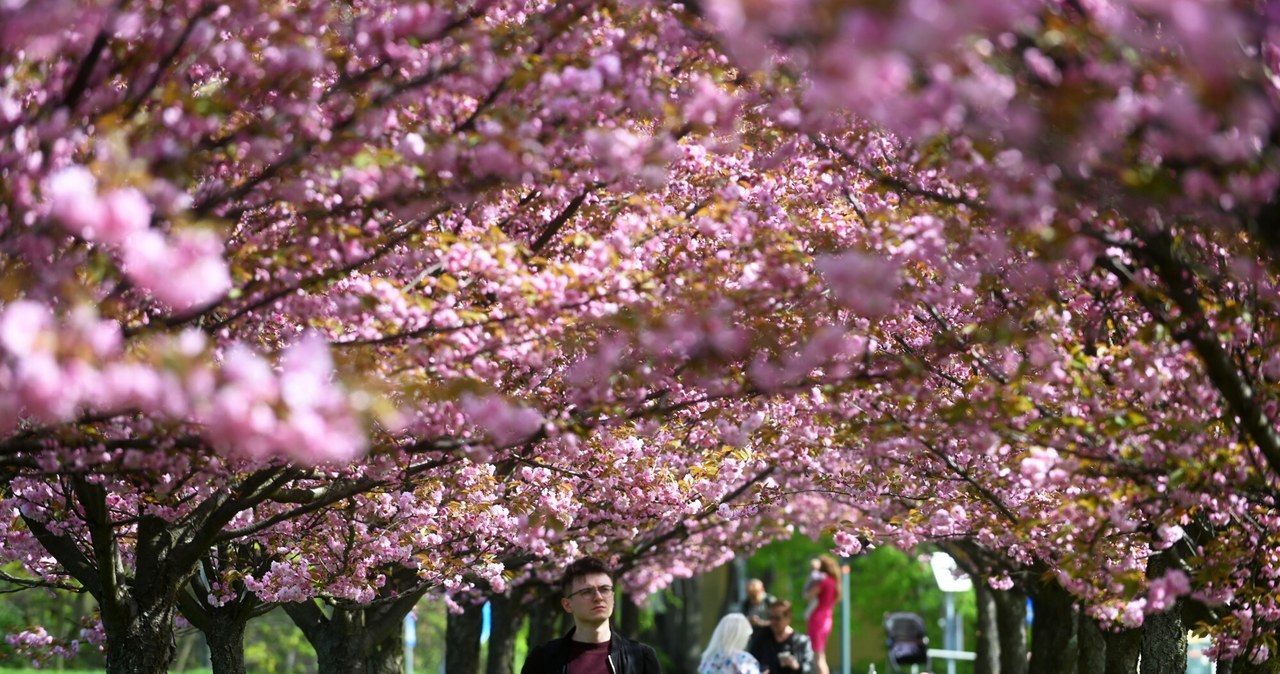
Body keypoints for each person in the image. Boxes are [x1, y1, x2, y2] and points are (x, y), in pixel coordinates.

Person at [521, 556, 662, 674]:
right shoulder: (543, 659)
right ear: (567, 605)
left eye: (605, 589)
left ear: (613, 597)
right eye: (587, 592)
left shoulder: (640, 658)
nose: (598, 597)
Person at [748, 600, 814, 674]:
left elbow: (809, 668)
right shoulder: (762, 638)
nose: (773, 622)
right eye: (771, 618)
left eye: (777, 618)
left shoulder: (801, 641)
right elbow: (750, 662)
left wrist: (797, 666)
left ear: (788, 618)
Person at [804, 555, 841, 674]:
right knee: (821, 655)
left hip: (818, 619)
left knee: (818, 656)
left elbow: (808, 596)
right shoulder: (834, 582)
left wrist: (812, 579)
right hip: (827, 618)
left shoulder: (823, 582)